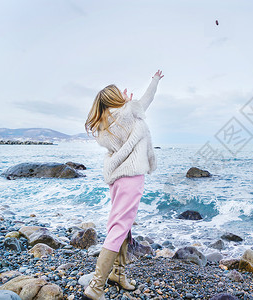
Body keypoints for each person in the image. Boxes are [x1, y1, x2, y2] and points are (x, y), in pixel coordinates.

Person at [83, 69, 164, 300]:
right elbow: (147, 99)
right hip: (131, 177)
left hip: (117, 179)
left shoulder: (102, 126)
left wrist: (126, 105)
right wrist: (155, 79)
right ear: (115, 98)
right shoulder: (129, 112)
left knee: (122, 224)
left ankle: (118, 274)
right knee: (120, 227)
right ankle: (96, 286)